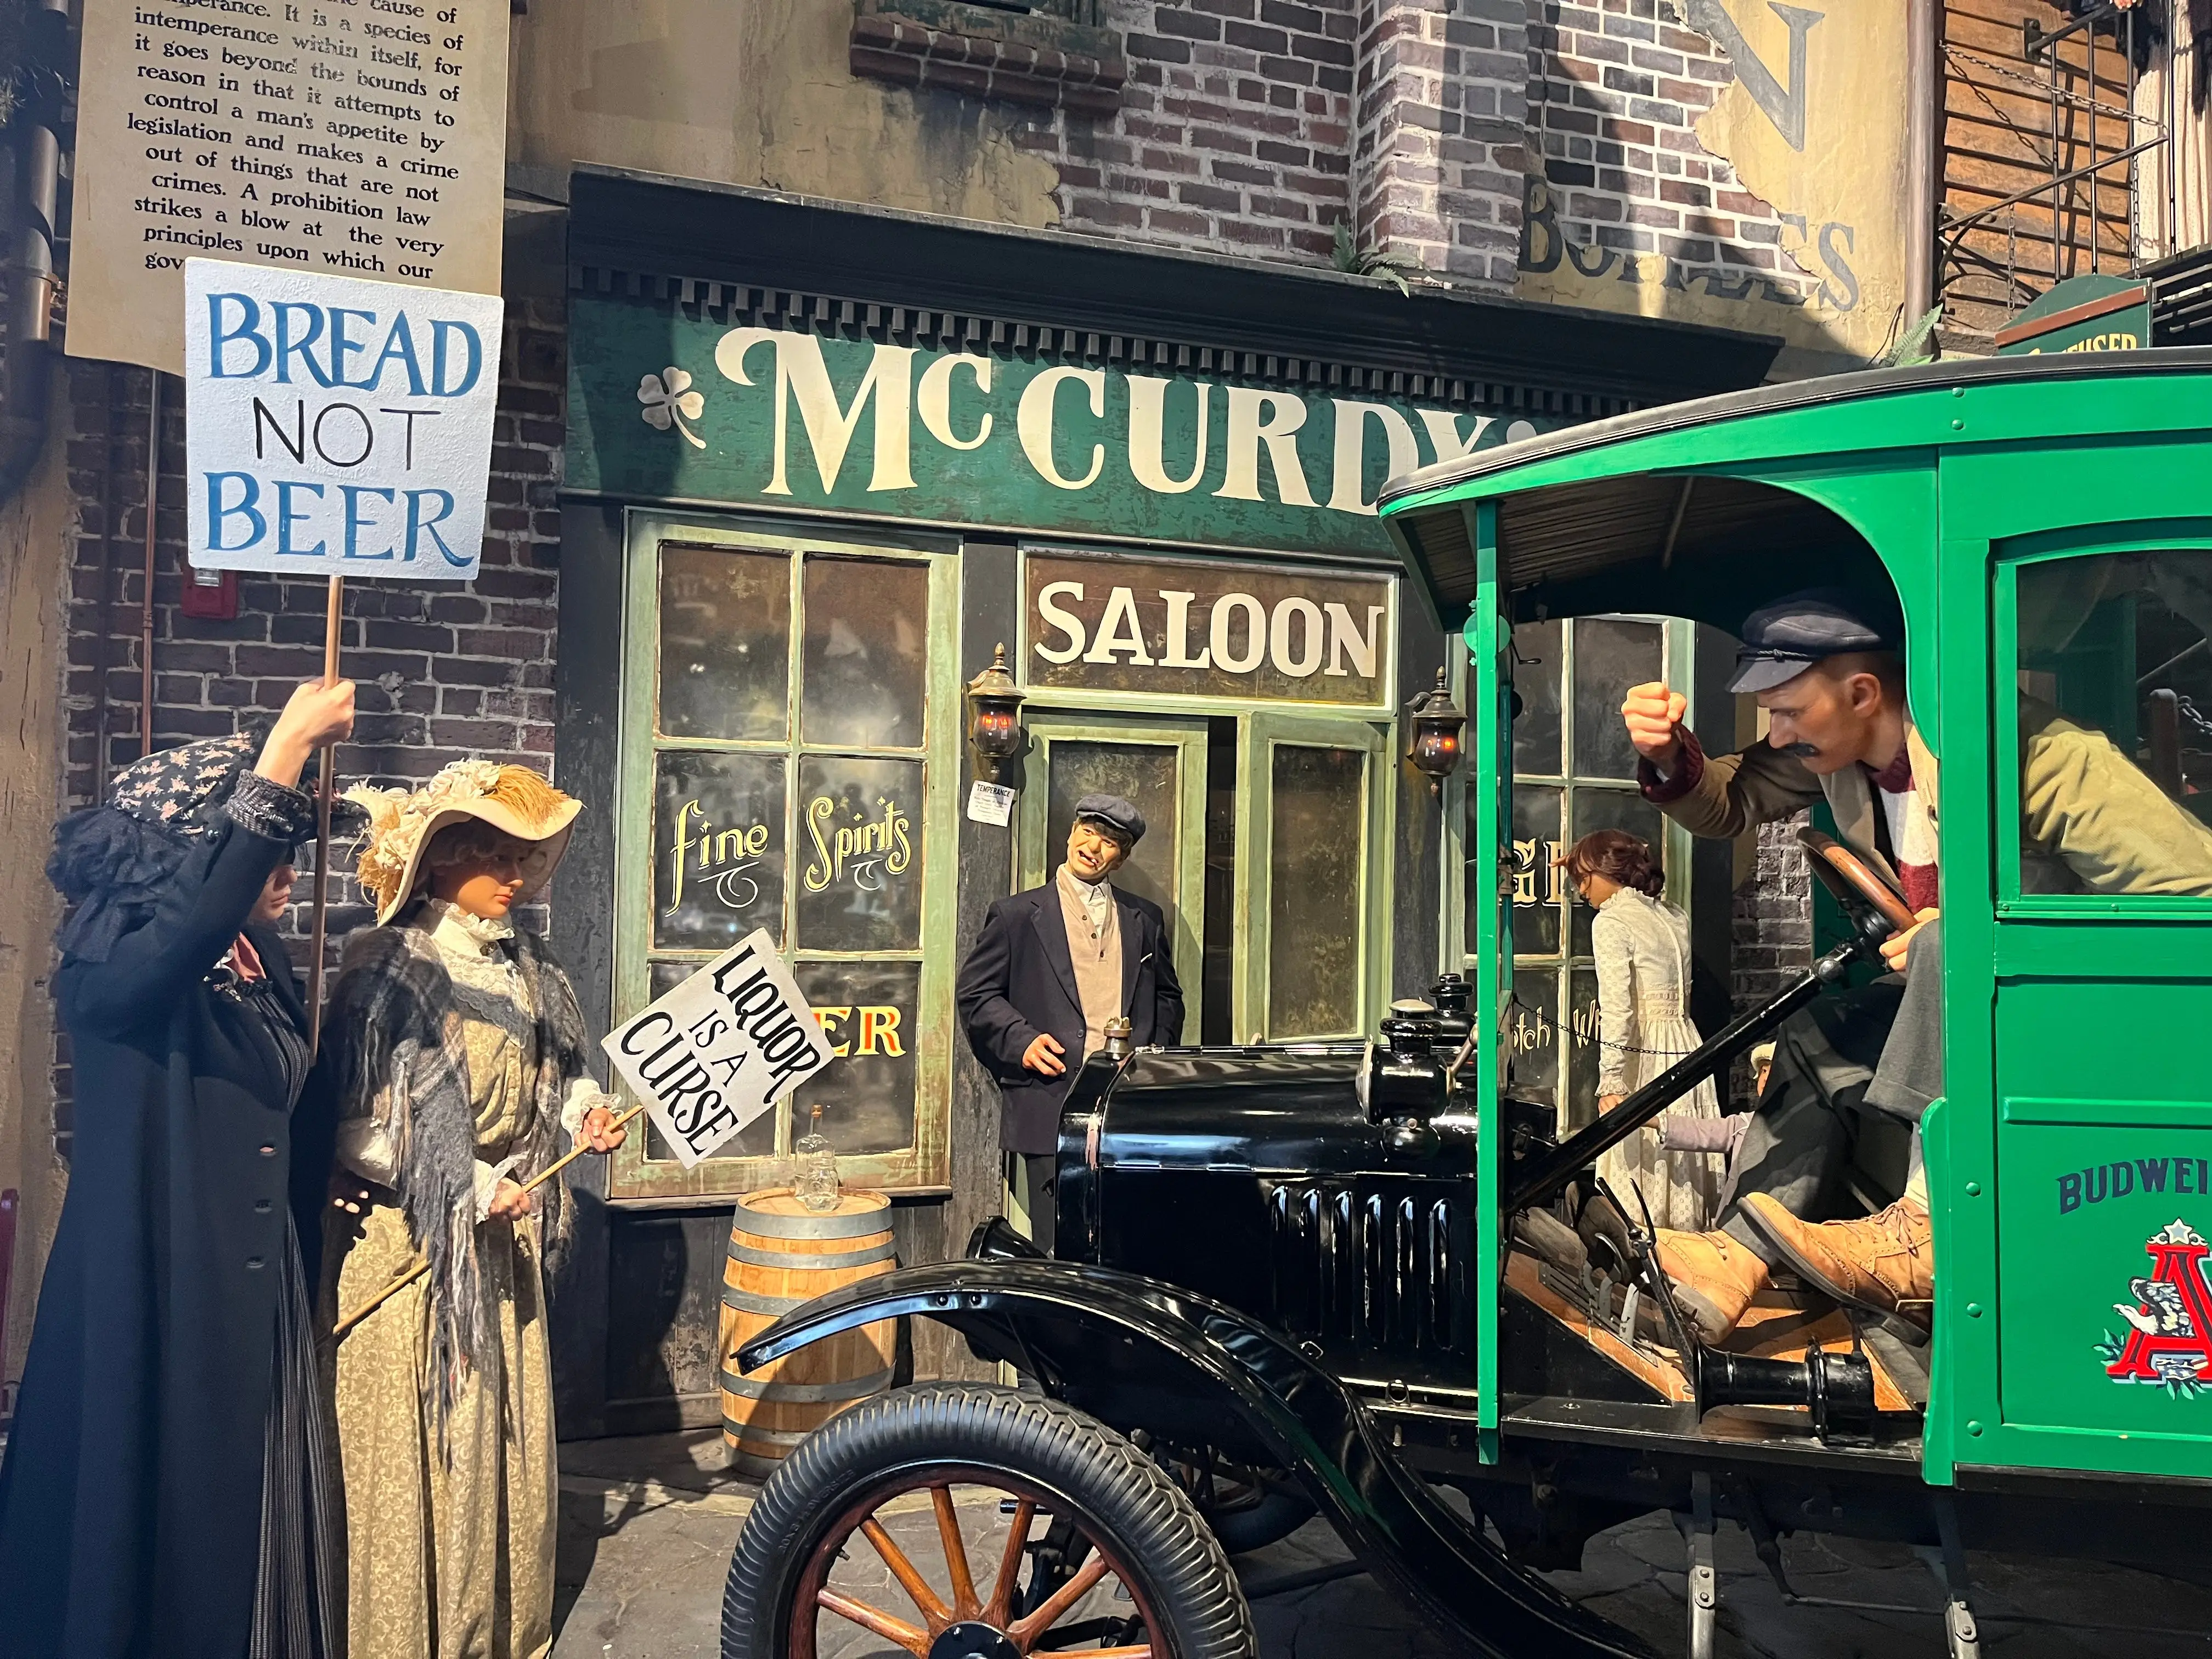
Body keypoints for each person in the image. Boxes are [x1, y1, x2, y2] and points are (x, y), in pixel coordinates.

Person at [1621, 588, 2212, 1342]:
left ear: (1862, 693)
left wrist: (1978, 927)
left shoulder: (2035, 756)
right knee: (1820, 1026)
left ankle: (1929, 1229)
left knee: (1941, 948)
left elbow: (2193, 899)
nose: (1777, 733)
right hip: (1965, 1012)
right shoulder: (1834, 753)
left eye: (1788, 712)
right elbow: (1727, 803)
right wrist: (1670, 756)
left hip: (2065, 1024)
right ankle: (1738, 1253)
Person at [0, 683, 357, 1659]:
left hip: (258, 1280)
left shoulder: (259, 957)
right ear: (189, 848)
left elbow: (283, 1091)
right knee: (169, 1520)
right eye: (270, 842)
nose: (289, 865)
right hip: (158, 1286)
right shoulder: (113, 958)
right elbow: (186, 930)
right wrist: (283, 746)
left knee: (269, 1504)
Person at [317, 759, 627, 1659]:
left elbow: (559, 1065)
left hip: (500, 1248)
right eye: (495, 856)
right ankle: (408, 1632)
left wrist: (584, 1110)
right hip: (411, 1245)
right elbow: (356, 1121)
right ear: (443, 861)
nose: (517, 877)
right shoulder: (387, 966)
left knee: (497, 1436)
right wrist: (469, 1180)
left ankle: (489, 1624)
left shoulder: (527, 963)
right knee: (421, 1444)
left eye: (525, 858)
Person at [956, 795, 1186, 1247]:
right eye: (1088, 832)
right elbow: (976, 995)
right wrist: (1020, 1041)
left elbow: (1168, 997)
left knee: (1126, 1239)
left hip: (1126, 1111)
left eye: (1110, 841)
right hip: (1050, 1103)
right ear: (1071, 833)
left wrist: (1152, 1060)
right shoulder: (1016, 916)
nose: (1094, 846)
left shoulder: (1145, 919)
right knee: (1059, 1243)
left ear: (1122, 857)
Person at [1558, 829, 1723, 1233]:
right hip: (1685, 1044)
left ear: (1604, 871)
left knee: (1641, 1161)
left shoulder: (1612, 921)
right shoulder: (1673, 915)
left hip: (1644, 1051)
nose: (1581, 890)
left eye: (1584, 877)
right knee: (1683, 1151)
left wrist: (1612, 1079)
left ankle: (1645, 1265)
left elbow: (1619, 1009)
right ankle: (1690, 1255)